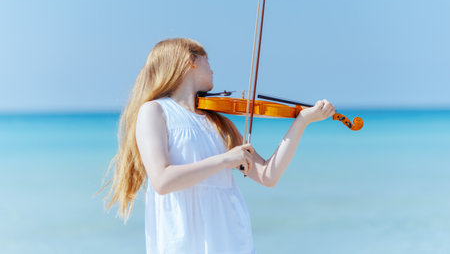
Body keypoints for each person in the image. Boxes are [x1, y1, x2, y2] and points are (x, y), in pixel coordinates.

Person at [99, 37, 335, 254]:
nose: (212, 68)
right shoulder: (156, 111)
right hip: (182, 242)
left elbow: (268, 176)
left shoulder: (219, 122)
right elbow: (162, 180)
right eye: (206, 60)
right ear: (189, 61)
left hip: (229, 239)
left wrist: (302, 121)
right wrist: (224, 160)